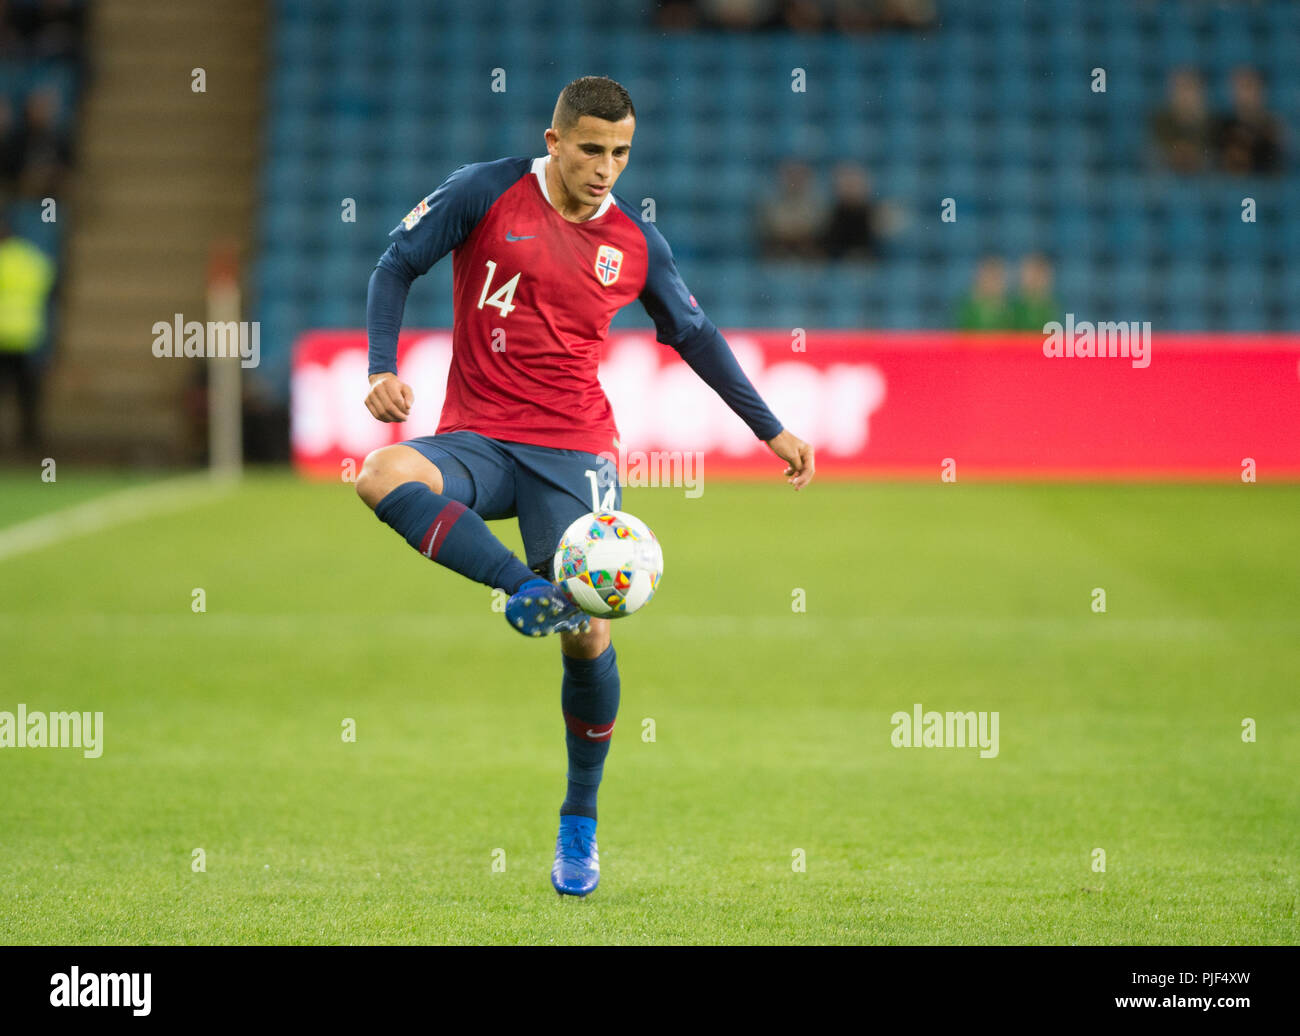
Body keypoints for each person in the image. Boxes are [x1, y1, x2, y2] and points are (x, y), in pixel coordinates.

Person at [354, 76, 815, 899]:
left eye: (622, 152)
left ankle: (579, 818)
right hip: (479, 435)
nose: (607, 168)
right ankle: (525, 587)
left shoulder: (635, 244)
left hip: (572, 452)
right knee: (380, 473)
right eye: (593, 149)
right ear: (555, 140)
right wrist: (382, 366)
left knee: (588, 639)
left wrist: (768, 428)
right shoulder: (485, 190)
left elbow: (696, 336)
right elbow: (396, 264)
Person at [0, 214, 56, 451]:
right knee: (28, 393)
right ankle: (30, 441)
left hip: (3, 336)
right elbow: (49, 282)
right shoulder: (33, 259)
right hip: (27, 334)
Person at [1216, 66, 1283, 175]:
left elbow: (1278, 164)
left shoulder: (1272, 126)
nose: (1245, 94)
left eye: (1249, 87)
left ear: (1261, 91)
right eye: (1240, 88)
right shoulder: (1222, 125)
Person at [1149, 68, 1213, 174]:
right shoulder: (1162, 120)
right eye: (1181, 88)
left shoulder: (1209, 122)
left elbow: (1210, 154)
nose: (1185, 95)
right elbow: (1158, 152)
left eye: (1190, 89)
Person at [955, 255, 1012, 330]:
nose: (991, 282)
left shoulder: (1012, 308)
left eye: (995, 277)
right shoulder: (967, 307)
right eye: (987, 276)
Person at [1007, 253, 1058, 332]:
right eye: (1031, 274)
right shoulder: (1013, 308)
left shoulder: (1051, 309)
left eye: (1039, 274)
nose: (1035, 279)